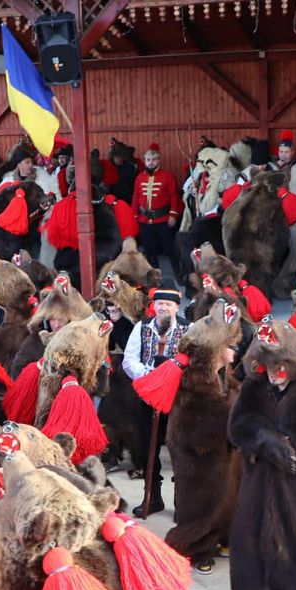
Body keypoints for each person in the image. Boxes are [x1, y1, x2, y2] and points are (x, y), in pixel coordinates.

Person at [122, 282, 189, 516]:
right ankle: (152, 497)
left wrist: (168, 376)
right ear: (154, 306)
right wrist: (151, 376)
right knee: (145, 446)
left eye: (168, 304)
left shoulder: (186, 329)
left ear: (176, 307)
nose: (163, 308)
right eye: (160, 303)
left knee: (178, 447)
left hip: (176, 398)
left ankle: (183, 502)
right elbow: (129, 360)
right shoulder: (141, 328)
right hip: (147, 395)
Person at [132, 143, 183, 277]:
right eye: (148, 160)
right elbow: (136, 197)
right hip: (144, 221)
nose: (151, 162)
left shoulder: (168, 176)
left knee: (170, 249)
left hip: (163, 220)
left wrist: (173, 215)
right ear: (145, 161)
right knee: (150, 251)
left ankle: (178, 275)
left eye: (154, 159)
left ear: (159, 160)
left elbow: (174, 196)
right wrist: (135, 215)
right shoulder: (139, 178)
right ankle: (156, 278)